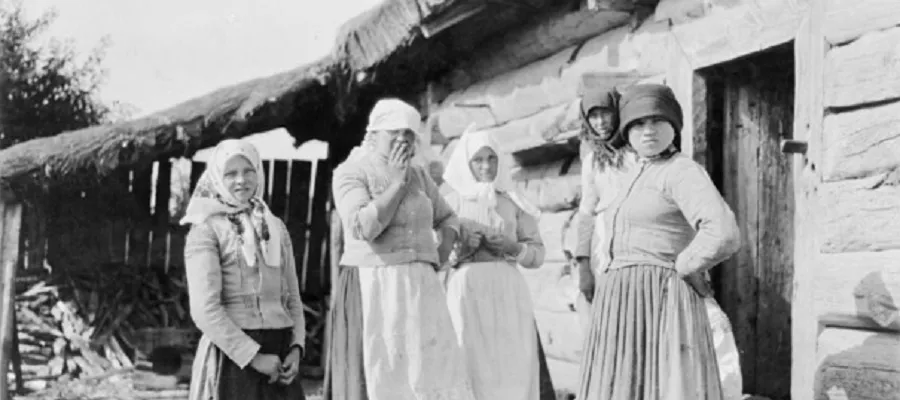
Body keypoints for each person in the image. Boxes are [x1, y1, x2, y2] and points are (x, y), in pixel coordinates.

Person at [576, 83, 741, 400]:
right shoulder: (624, 170)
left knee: (663, 385)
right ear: (626, 129)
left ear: (674, 125)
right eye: (638, 123)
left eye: (657, 121)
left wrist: (683, 263)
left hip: (660, 295)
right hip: (618, 297)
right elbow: (590, 217)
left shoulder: (681, 170)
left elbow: (723, 232)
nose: (647, 131)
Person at [327, 98, 475, 400]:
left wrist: (441, 255)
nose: (402, 139)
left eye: (409, 133)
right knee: (384, 369)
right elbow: (362, 227)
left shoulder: (419, 175)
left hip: (420, 284)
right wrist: (395, 183)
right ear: (374, 133)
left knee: (427, 369)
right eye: (394, 131)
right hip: (375, 284)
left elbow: (448, 217)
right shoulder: (351, 172)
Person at [182, 139, 307, 400]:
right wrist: (253, 357)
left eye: (248, 170)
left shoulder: (275, 227)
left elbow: (292, 297)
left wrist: (296, 348)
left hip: (281, 353)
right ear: (217, 177)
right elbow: (205, 309)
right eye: (231, 173)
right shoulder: (206, 229)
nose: (241, 180)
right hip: (233, 359)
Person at [441, 128, 548, 400]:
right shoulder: (450, 203)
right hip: (466, 289)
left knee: (511, 360)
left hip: (506, 289)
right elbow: (436, 256)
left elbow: (537, 253)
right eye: (478, 160)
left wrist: (514, 248)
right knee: (469, 356)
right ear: (466, 163)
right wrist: (461, 251)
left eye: (492, 158)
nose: (486, 166)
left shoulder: (512, 201)